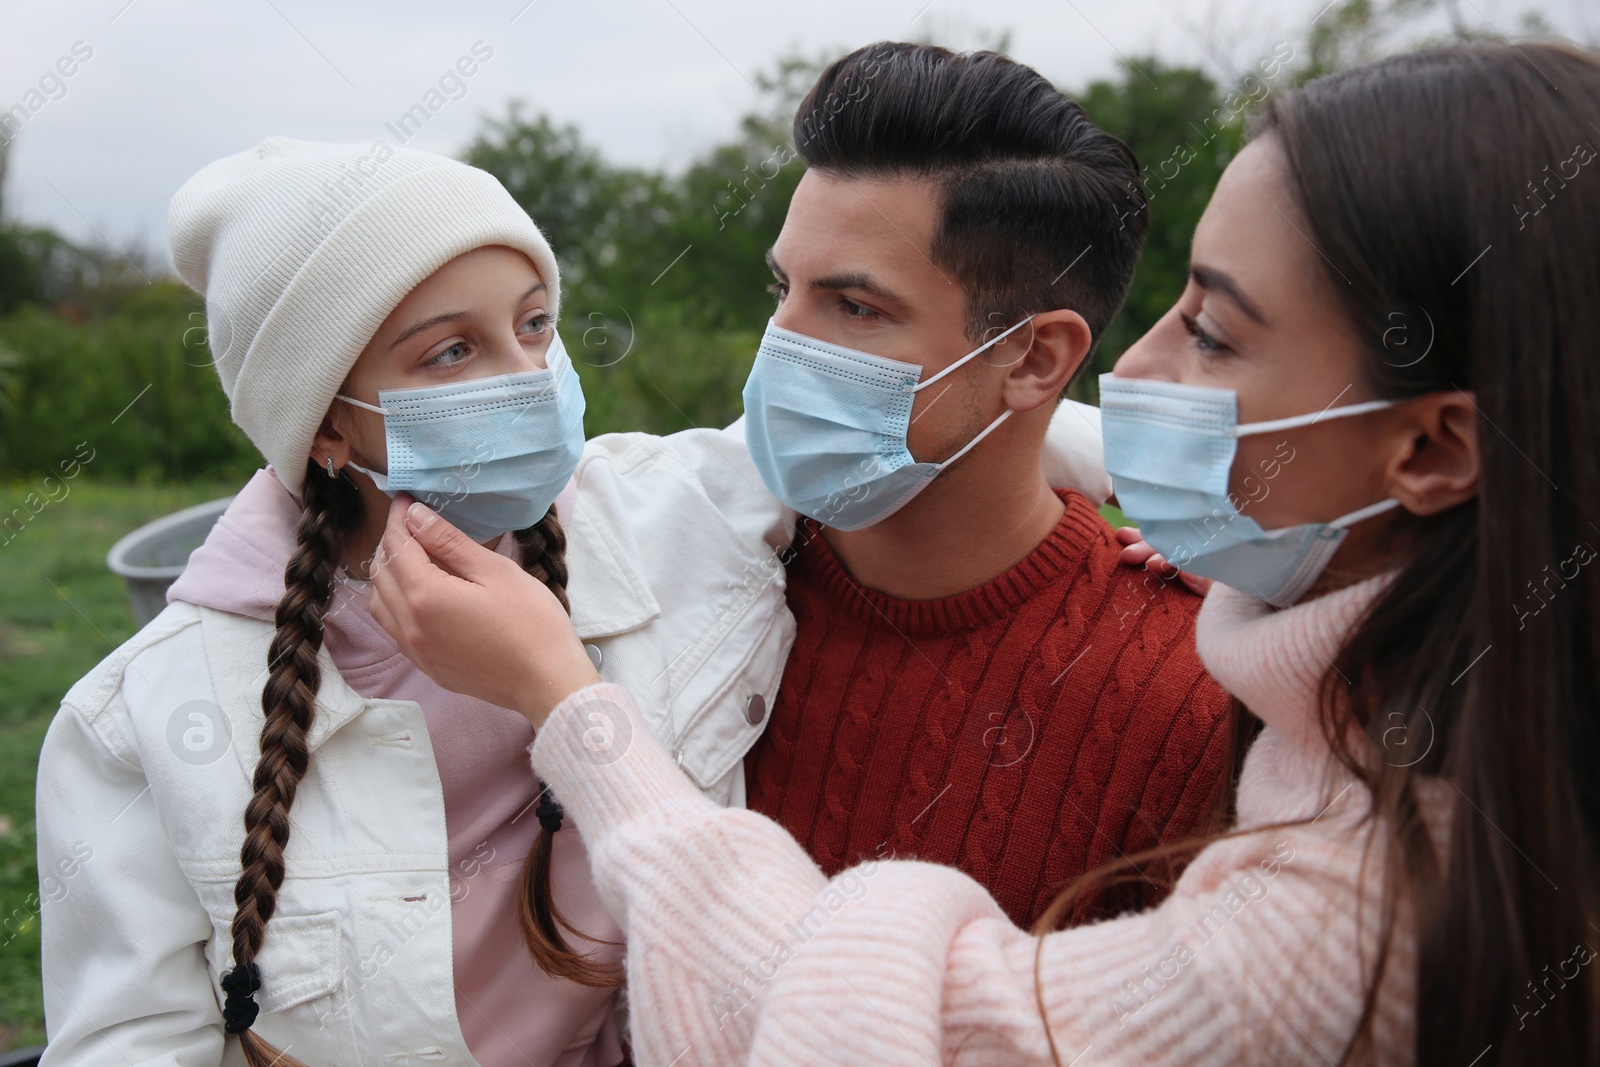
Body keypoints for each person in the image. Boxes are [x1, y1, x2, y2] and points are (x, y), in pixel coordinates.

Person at [371, 40, 1600, 1066]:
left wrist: (568, 707)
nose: (1150, 368)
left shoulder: (1348, 896)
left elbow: (874, 1029)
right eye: (779, 288)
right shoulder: (694, 562)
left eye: (1217, 332)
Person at [34, 140, 1105, 1064]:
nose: (530, 376)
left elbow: (942, 426)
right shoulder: (137, 721)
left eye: (535, 325)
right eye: (451, 350)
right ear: (323, 424)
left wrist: (1201, 489)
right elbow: (132, 1035)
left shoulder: (669, 515)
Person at [739, 41, 1235, 927]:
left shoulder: (1193, 695)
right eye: (784, 288)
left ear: (1035, 357)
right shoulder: (688, 586)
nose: (782, 344)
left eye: (854, 308)